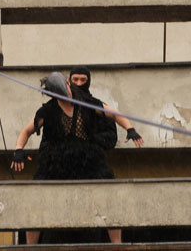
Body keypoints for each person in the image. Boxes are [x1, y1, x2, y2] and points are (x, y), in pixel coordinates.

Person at [11, 72, 142, 244]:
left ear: (68, 84)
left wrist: (130, 129)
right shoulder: (48, 110)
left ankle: (116, 244)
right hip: (56, 163)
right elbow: (26, 131)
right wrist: (19, 150)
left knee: (109, 195)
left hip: (88, 162)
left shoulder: (86, 103)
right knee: (37, 199)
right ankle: (30, 247)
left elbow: (115, 114)